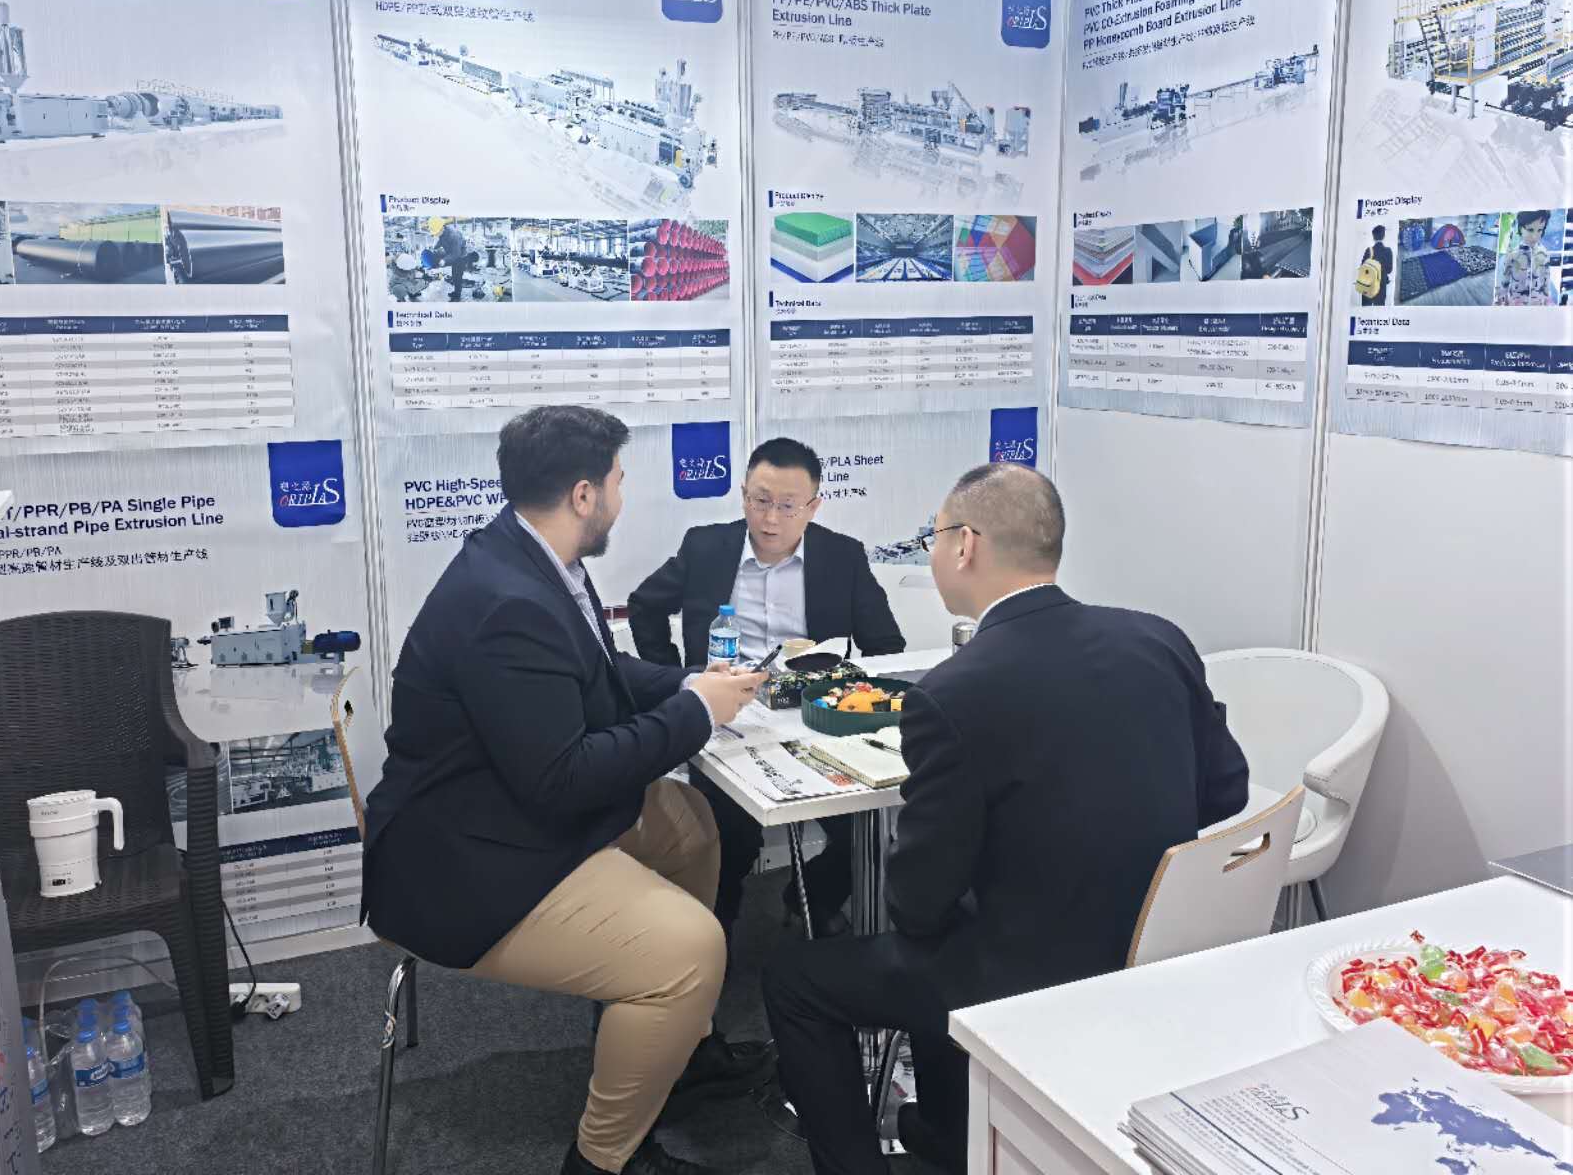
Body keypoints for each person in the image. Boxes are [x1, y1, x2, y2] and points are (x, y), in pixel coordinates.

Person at [762, 463, 1250, 1175]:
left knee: (794, 977)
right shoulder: (1159, 639)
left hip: (1023, 974)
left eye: (932, 537)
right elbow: (1226, 792)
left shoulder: (953, 693)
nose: (932, 552)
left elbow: (916, 906)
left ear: (965, 545)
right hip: (1160, 940)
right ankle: (946, 1132)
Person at [362, 405, 774, 1175]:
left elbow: (598, 674)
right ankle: (601, 1160)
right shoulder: (507, 602)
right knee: (690, 952)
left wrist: (692, 683)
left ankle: (680, 1050)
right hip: (458, 861)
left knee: (688, 820)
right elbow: (563, 779)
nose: (623, 494)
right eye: (617, 479)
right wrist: (696, 713)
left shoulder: (532, 557)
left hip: (499, 811)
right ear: (584, 495)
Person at [628, 437, 905, 941]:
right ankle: (716, 941)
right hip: (725, 720)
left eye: (787, 506)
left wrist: (844, 691)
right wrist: (678, 680)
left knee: (865, 825)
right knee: (728, 837)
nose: (770, 519)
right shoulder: (706, 547)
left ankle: (811, 896)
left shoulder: (842, 556)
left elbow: (887, 646)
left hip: (817, 718)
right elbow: (645, 606)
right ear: (743, 496)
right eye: (760, 501)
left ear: (813, 507)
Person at [1496, 209, 1554, 305]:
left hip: (1537, 304)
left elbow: (1546, 280)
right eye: (1530, 230)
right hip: (1515, 304)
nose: (1535, 236)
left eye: (1540, 230)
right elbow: (1504, 282)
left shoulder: (1545, 254)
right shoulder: (1512, 255)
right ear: (1520, 228)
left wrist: (1547, 301)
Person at [1358, 224, 1393, 306]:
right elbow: (1389, 270)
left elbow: (1362, 267)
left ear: (1373, 237)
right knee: (1379, 310)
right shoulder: (1388, 251)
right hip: (1381, 287)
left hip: (1367, 286)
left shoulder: (1369, 250)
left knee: (1366, 310)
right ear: (1384, 236)